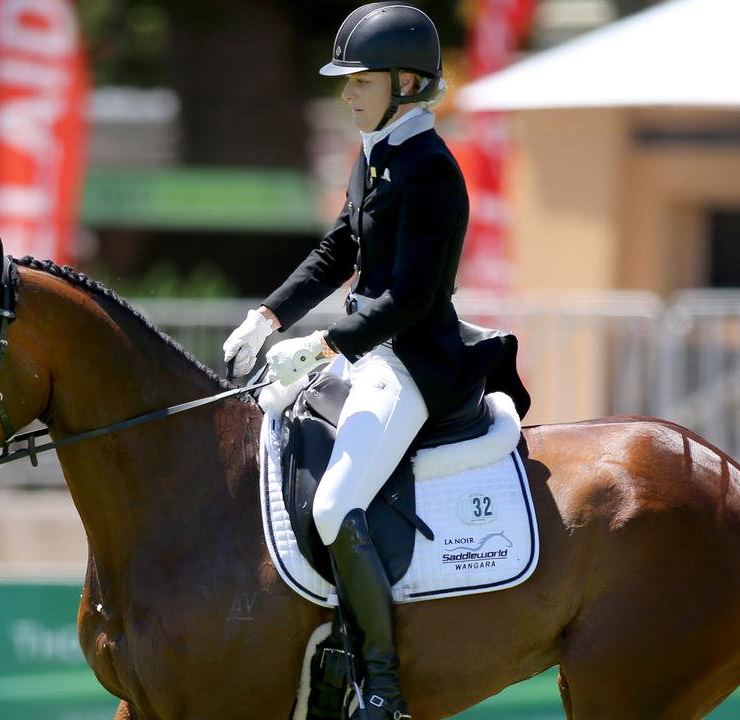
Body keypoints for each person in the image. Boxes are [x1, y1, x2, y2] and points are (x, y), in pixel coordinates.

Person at [223, 4, 527, 718]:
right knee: (266, 416)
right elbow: (337, 251)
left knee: (335, 501)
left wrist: (326, 347)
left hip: (411, 362)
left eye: (359, 81)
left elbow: (415, 299)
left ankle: (380, 685)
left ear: (406, 82)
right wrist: (269, 316)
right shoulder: (375, 155)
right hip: (365, 351)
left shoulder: (432, 171)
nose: (346, 93)